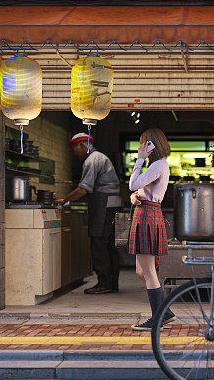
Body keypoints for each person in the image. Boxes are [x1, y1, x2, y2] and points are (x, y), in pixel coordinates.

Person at [55, 133, 122, 294]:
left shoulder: (92, 160)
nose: (75, 153)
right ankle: (112, 283)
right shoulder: (101, 157)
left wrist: (65, 200)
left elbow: (83, 189)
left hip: (104, 207)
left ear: (83, 146)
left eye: (75, 149)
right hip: (114, 207)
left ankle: (104, 284)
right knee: (111, 246)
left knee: (99, 244)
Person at [127, 128, 174, 331]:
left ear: (151, 144)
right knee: (141, 271)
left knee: (148, 271)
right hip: (145, 213)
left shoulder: (158, 164)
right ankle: (166, 312)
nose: (141, 147)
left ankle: (158, 318)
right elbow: (137, 189)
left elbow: (133, 183)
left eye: (143, 143)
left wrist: (139, 159)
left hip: (148, 216)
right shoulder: (156, 165)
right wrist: (135, 196)